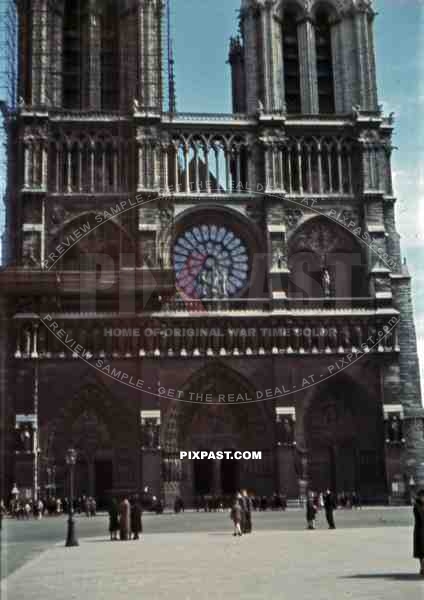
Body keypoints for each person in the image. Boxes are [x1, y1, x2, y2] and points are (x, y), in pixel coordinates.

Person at [413, 489, 424, 575]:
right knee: (421, 552)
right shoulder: (417, 506)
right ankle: (422, 567)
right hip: (420, 531)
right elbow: (421, 517)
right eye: (422, 496)